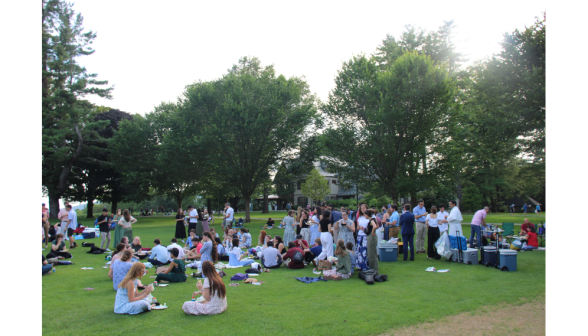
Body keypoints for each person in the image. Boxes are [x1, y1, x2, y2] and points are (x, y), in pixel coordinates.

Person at [355, 203, 369, 269]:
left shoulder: (370, 217)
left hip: (366, 235)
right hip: (360, 235)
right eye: (361, 208)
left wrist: (363, 228)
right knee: (359, 251)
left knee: (365, 251)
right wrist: (361, 227)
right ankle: (360, 265)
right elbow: (357, 227)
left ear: (366, 208)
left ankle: (365, 265)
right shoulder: (360, 217)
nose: (363, 209)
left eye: (364, 208)